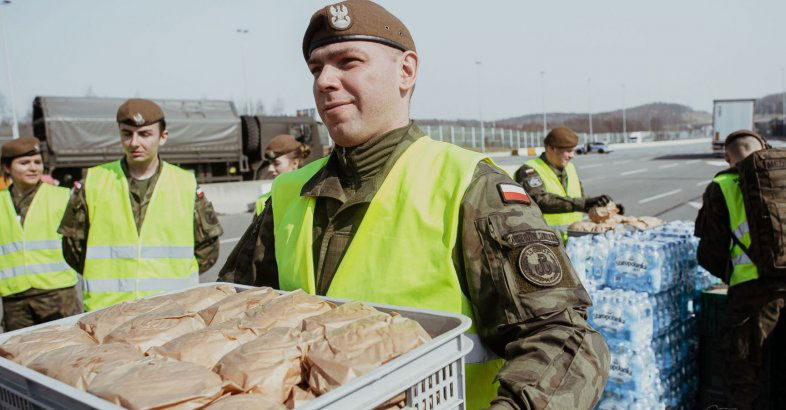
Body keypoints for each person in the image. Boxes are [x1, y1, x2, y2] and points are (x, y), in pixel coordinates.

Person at [219, 2, 609, 409]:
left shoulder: (468, 185)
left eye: (347, 62)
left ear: (406, 71)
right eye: (317, 69)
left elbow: (567, 342)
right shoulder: (287, 193)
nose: (325, 81)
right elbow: (230, 319)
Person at [58, 99, 223, 311]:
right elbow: (73, 248)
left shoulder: (185, 183)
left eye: (145, 134)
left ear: (163, 137)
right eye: (127, 134)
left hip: (172, 308)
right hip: (108, 310)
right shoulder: (93, 182)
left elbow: (207, 248)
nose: (134, 143)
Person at [695, 129, 786, 410]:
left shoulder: (722, 186)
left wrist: (731, 273)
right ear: (764, 148)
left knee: (744, 374)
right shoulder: (782, 178)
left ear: (726, 157)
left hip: (749, 296)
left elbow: (710, 253)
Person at [0, 137, 81, 331]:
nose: (33, 168)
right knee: (18, 357)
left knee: (67, 352)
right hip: (14, 298)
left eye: (37, 162)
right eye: (24, 163)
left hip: (58, 294)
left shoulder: (62, 196)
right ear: (7, 167)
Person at [514, 127, 621, 237]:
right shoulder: (530, 170)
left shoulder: (570, 168)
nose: (572, 155)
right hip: (545, 241)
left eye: (573, 150)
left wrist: (598, 205)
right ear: (551, 148)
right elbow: (539, 200)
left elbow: (577, 199)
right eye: (568, 151)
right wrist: (584, 203)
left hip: (573, 240)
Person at [254, 134, 311, 215]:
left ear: (295, 163)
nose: (270, 169)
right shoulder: (263, 200)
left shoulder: (311, 196)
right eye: (270, 163)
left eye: (276, 164)